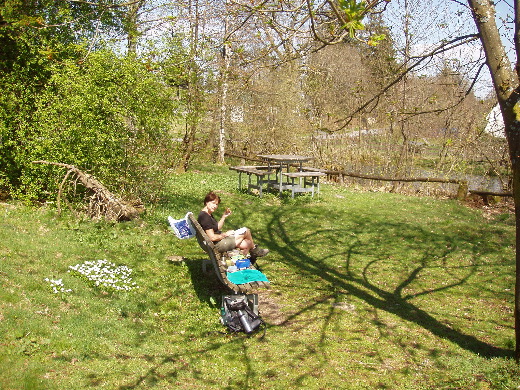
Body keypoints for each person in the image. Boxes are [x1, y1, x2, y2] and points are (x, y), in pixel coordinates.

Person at [198, 191, 269, 262]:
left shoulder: (207, 213)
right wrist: (225, 234)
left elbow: (217, 228)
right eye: (213, 203)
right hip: (217, 245)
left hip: (214, 243)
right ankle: (255, 252)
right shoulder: (205, 217)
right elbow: (212, 237)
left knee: (248, 243)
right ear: (207, 202)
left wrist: (224, 217)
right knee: (246, 231)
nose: (215, 206)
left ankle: (248, 259)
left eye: (216, 204)